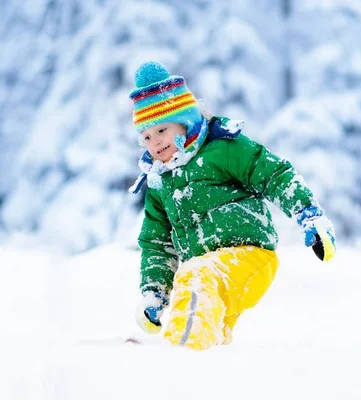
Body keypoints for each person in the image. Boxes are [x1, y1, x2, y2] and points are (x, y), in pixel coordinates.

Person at [128, 61, 336, 350]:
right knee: (210, 328)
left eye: (162, 129)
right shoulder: (158, 182)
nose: (155, 142)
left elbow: (274, 174)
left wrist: (308, 216)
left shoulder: (222, 149)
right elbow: (157, 243)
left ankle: (177, 360)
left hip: (250, 256)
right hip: (209, 271)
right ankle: (204, 375)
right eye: (147, 136)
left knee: (196, 279)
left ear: (185, 120)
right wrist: (155, 292)